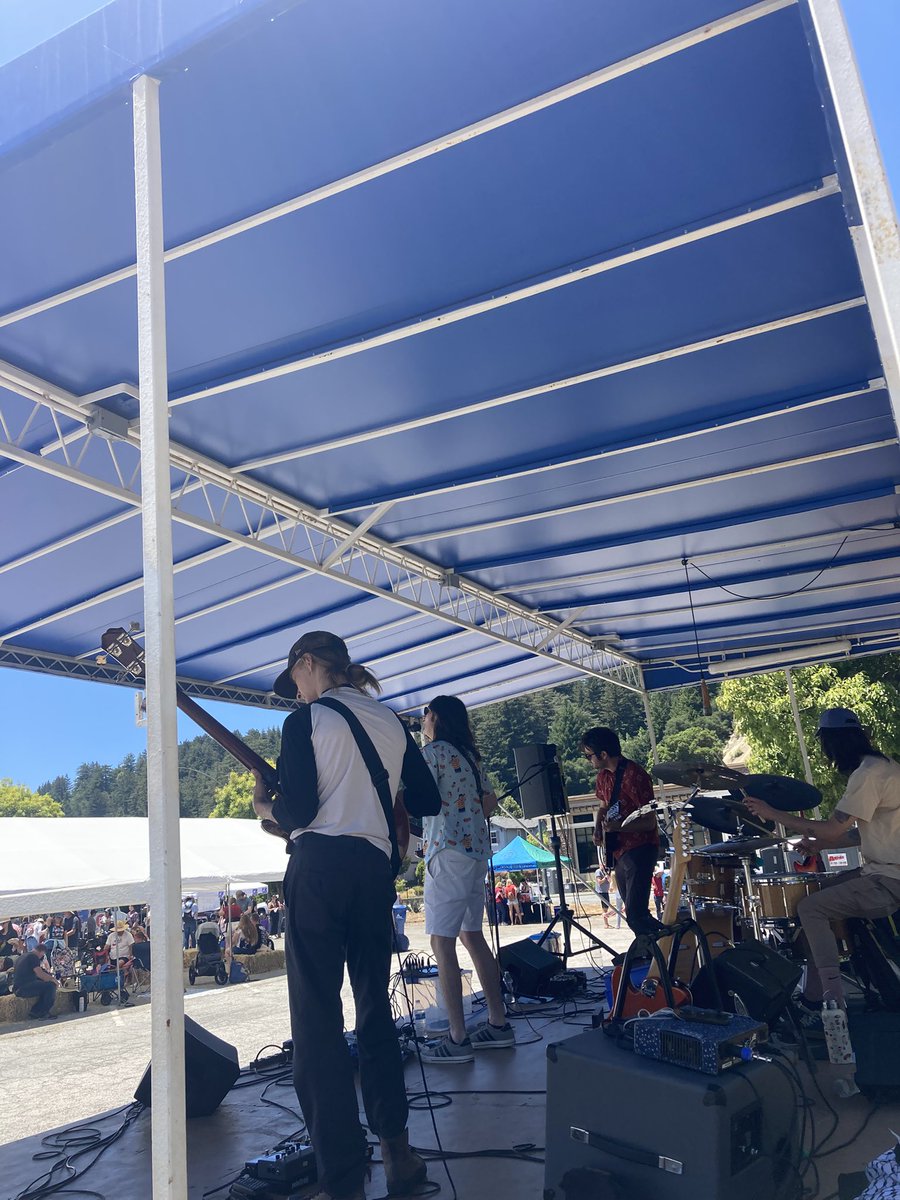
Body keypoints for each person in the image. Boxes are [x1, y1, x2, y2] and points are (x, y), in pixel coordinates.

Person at [251, 629, 441, 1200]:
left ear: (309, 664)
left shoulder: (304, 722)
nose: (297, 692)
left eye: (298, 680)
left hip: (320, 872)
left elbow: (301, 809)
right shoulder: (388, 720)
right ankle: (398, 1154)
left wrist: (267, 806)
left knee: (317, 1025)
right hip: (372, 873)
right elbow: (427, 800)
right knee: (374, 1013)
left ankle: (341, 1181)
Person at [745, 708, 900, 1009]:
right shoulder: (886, 767)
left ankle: (830, 999)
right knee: (821, 892)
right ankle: (813, 994)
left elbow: (832, 828)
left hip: (890, 879)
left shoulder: (867, 775)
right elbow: (859, 835)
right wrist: (819, 846)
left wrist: (772, 813)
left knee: (811, 907)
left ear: (833, 744)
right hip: (884, 871)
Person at [418, 694, 515, 1064]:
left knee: (441, 943)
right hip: (475, 852)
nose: (423, 720)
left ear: (437, 717)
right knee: (472, 936)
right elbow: (488, 803)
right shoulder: (470, 757)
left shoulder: (435, 753)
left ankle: (457, 1038)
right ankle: (497, 1022)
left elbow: (415, 798)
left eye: (426, 714)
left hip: (448, 851)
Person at [583, 727, 660, 937]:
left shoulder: (635, 775)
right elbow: (603, 805)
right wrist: (598, 829)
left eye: (590, 755)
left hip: (640, 848)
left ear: (604, 754)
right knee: (633, 915)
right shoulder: (602, 777)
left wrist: (618, 827)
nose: (588, 760)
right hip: (619, 851)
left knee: (637, 914)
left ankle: (668, 945)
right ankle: (650, 952)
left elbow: (649, 822)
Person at [12, 945, 57, 1019]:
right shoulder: (33, 957)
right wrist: (53, 980)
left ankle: (35, 1011)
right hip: (24, 988)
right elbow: (40, 974)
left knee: (44, 986)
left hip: (18, 988)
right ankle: (42, 1012)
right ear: (42, 952)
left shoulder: (22, 956)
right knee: (50, 986)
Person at [594, 864, 613, 928]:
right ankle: (606, 924)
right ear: (600, 865)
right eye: (603, 865)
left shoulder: (605, 872)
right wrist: (605, 877)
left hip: (606, 891)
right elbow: (599, 882)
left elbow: (610, 881)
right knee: (604, 908)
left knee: (607, 907)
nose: (605, 866)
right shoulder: (598, 871)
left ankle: (607, 923)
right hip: (601, 892)